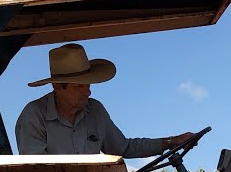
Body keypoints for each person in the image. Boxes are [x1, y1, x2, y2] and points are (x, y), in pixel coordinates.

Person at [15, 43, 193, 157]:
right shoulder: (35, 115)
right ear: (58, 87)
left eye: (88, 85)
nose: (88, 92)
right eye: (79, 87)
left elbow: (123, 148)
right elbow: (37, 170)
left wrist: (170, 142)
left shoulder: (95, 110)